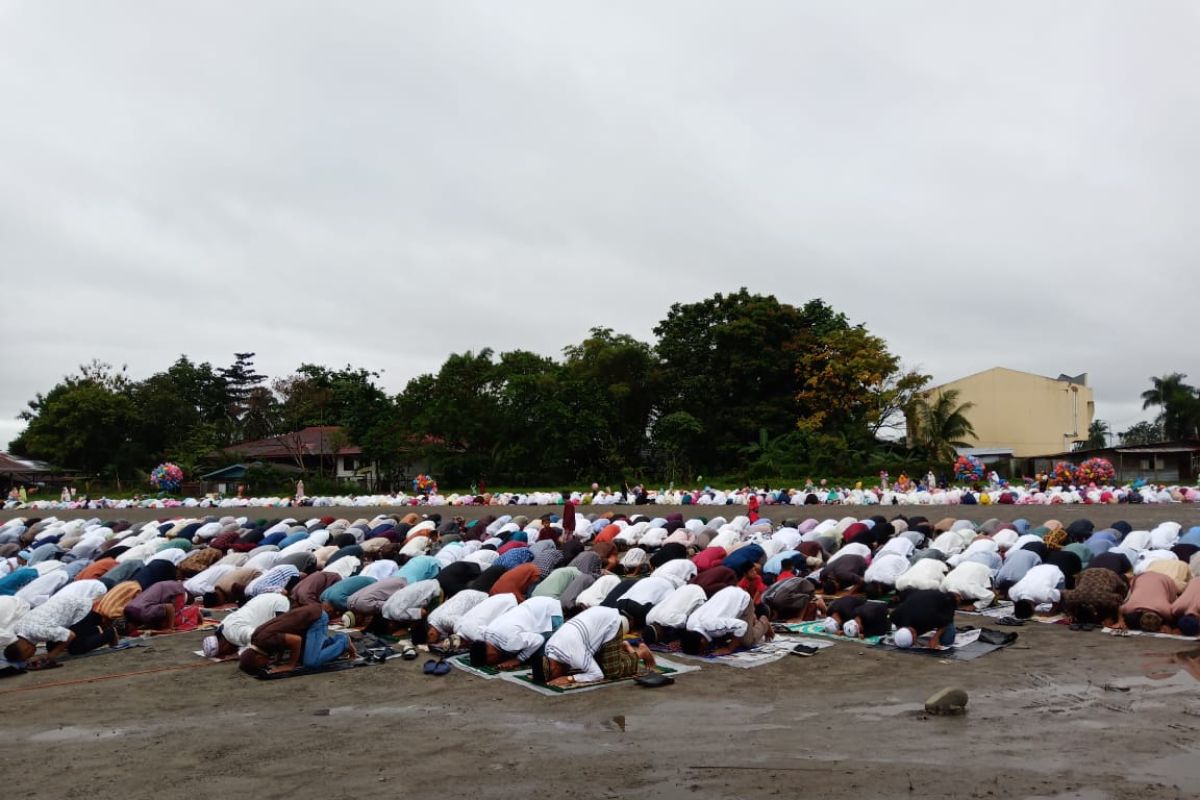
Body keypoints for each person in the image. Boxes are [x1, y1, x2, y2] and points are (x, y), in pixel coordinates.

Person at [534, 605, 655, 687]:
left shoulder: (572, 653)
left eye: (554, 677)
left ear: (554, 669)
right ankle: (621, 647)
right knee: (597, 663)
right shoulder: (549, 648)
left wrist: (570, 679)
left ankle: (641, 652)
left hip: (610, 623)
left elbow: (598, 675)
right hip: (595, 623)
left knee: (612, 671)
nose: (556, 679)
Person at [5, 581, 114, 664]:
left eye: (27, 656)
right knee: (52, 646)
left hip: (80, 610)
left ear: (25, 649)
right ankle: (93, 631)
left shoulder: (38, 632)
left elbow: (70, 636)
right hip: (66, 607)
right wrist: (52, 651)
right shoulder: (18, 629)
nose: (31, 656)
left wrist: (50, 656)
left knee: (76, 648)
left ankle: (111, 634)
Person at [238, 604, 354, 675]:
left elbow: (296, 640)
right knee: (305, 656)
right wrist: (277, 661)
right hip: (307, 619)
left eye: (260, 665)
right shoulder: (256, 639)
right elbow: (280, 640)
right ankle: (332, 642)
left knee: (311, 662)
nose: (264, 665)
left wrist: (290, 665)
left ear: (257, 658)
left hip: (316, 618)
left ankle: (343, 642)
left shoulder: (264, 640)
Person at [471, 596, 562, 669]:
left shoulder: (510, 643)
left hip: (549, 611)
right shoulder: (486, 633)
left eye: (491, 662)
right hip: (532, 604)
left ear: (491, 655)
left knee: (545, 656)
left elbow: (538, 639)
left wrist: (518, 660)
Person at [681, 585, 772, 656]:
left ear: (702, 641)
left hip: (742, 599)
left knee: (747, 642)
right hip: (726, 596)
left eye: (701, 649)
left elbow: (741, 625)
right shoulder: (690, 625)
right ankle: (751, 619)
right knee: (719, 640)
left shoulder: (713, 626)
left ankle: (763, 622)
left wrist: (729, 648)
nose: (703, 651)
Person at [203, 592, 291, 659]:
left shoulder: (236, 633)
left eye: (225, 652)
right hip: (264, 597)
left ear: (222, 646)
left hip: (277, 604)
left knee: (279, 638)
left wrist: (240, 654)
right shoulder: (222, 627)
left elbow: (258, 636)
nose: (228, 653)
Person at [890, 589, 958, 650]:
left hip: (944, 602)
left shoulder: (928, 617)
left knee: (947, 641)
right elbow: (897, 623)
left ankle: (954, 596)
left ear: (914, 635)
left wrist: (935, 638)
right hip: (919, 597)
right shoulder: (895, 617)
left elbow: (946, 621)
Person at [1060, 568, 1128, 628]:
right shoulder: (1114, 575)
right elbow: (1122, 592)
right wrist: (1115, 617)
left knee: (1072, 597)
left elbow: (1076, 586)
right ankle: (1119, 622)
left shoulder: (1083, 573)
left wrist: (1069, 614)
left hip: (1080, 595)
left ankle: (1072, 617)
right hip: (1103, 597)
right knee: (1118, 600)